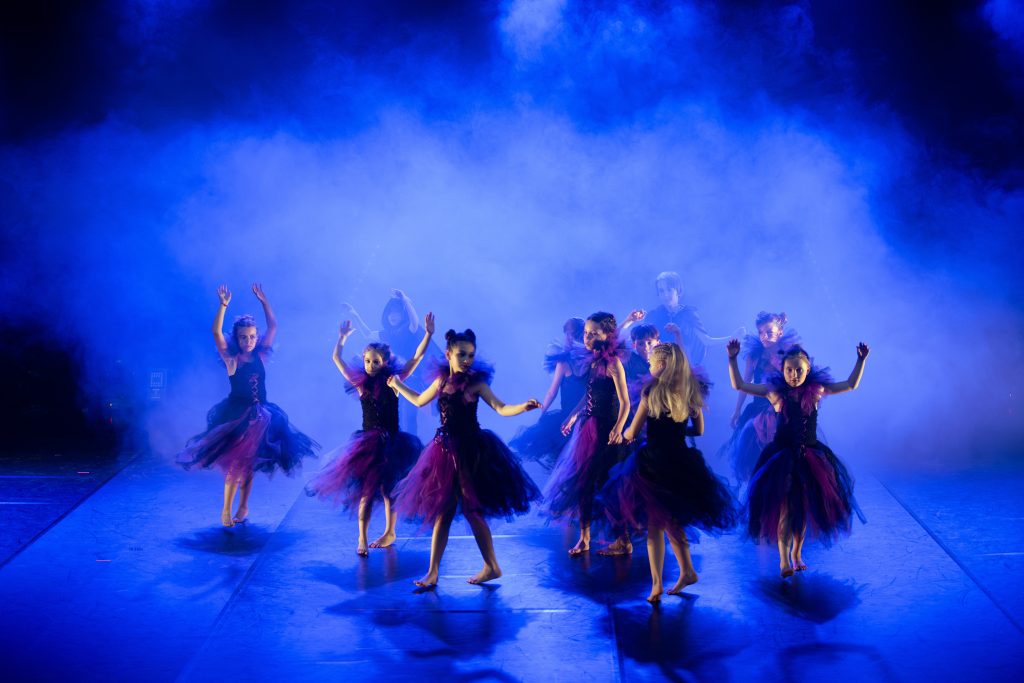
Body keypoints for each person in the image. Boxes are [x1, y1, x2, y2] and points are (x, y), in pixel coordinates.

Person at [389, 328, 541, 587]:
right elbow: (419, 400)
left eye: (471, 355)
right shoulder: (441, 382)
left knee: (472, 511)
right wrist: (397, 384)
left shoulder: (476, 384)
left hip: (471, 452)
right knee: (444, 512)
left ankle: (491, 565)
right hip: (444, 451)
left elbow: (501, 408)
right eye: (462, 354)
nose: (467, 360)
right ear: (448, 354)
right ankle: (434, 572)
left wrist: (523, 407)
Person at [599, 343, 737, 602]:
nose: (649, 366)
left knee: (655, 526)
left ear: (661, 366)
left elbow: (633, 430)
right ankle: (687, 571)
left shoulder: (651, 392)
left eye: (652, 363)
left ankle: (657, 585)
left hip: (653, 463)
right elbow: (699, 431)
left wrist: (625, 435)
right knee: (671, 520)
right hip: (680, 462)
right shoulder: (690, 392)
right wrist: (675, 430)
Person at [179, 284, 318, 527]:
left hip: (263, 416)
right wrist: (223, 306)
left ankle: (243, 507)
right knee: (235, 465)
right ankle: (225, 509)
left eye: (253, 336)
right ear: (237, 338)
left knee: (249, 463)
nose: (249, 341)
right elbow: (216, 333)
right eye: (244, 337)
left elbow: (273, 326)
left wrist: (264, 301)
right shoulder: (232, 360)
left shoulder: (260, 355)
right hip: (238, 417)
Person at [728, 340, 869, 577]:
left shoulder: (816, 392)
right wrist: (732, 359)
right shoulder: (775, 393)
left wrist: (860, 360)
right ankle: (784, 560)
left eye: (799, 370)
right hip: (782, 459)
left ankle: (796, 553)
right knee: (785, 509)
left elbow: (850, 385)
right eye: (789, 370)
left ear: (808, 370)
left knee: (800, 510)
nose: (794, 375)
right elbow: (739, 385)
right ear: (782, 370)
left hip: (809, 458)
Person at [306, 313, 435, 556]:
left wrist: (428, 334)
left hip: (393, 444)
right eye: (367, 361)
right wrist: (341, 338)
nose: (371, 366)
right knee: (366, 493)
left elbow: (416, 357)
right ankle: (362, 537)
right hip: (367, 445)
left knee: (389, 491)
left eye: (376, 362)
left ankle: (390, 532)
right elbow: (336, 359)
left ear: (385, 362)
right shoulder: (360, 383)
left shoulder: (394, 381)